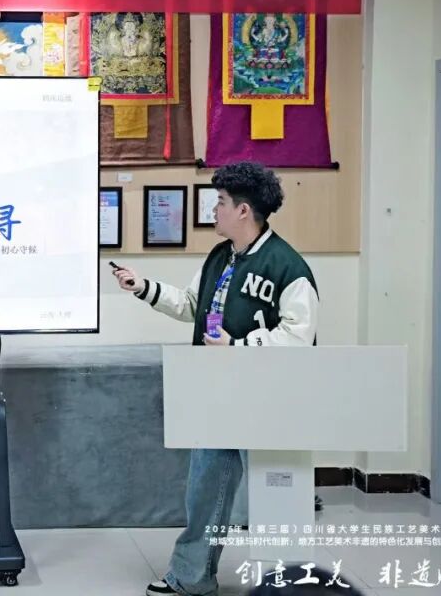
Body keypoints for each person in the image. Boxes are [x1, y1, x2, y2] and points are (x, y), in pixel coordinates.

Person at [112, 161, 319, 596]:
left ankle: (289, 584)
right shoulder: (220, 257)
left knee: (277, 494)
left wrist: (239, 346)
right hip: (218, 393)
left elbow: (298, 337)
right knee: (206, 486)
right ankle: (192, 577)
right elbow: (193, 305)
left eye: (220, 202)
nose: (214, 209)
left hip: (269, 399)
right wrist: (143, 286)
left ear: (243, 210)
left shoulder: (288, 267)